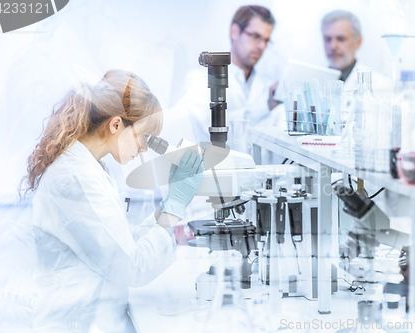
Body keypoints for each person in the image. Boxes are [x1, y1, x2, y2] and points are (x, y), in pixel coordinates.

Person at [19, 69, 202, 332]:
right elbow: (132, 265)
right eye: (143, 137)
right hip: (75, 322)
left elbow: (121, 242)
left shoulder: (89, 167)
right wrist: (174, 208)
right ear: (116, 125)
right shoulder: (78, 178)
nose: (144, 149)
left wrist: (167, 206)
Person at [178, 5, 280, 151]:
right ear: (235, 31)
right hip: (217, 169)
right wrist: (265, 107)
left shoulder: (269, 88)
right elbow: (210, 130)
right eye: (255, 36)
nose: (261, 46)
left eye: (266, 40)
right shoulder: (198, 80)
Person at [321, 10, 388, 92]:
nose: (333, 46)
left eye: (341, 39)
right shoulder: (314, 82)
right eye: (328, 39)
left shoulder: (379, 85)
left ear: (358, 42)